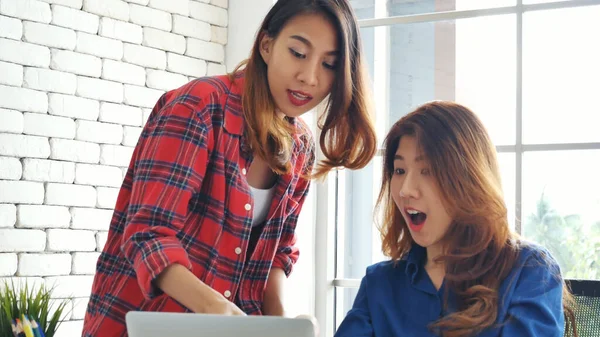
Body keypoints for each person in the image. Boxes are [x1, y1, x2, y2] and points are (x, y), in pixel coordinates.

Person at [82, 0, 377, 336]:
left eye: (329, 64)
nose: (309, 77)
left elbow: (277, 254)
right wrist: (216, 310)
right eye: (298, 52)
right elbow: (148, 234)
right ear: (267, 46)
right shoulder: (200, 106)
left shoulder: (301, 146)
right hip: (142, 324)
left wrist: (281, 325)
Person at [335, 101, 577, 337]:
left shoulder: (529, 271)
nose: (405, 190)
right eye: (399, 171)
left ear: (470, 179)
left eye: (427, 170)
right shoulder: (379, 284)